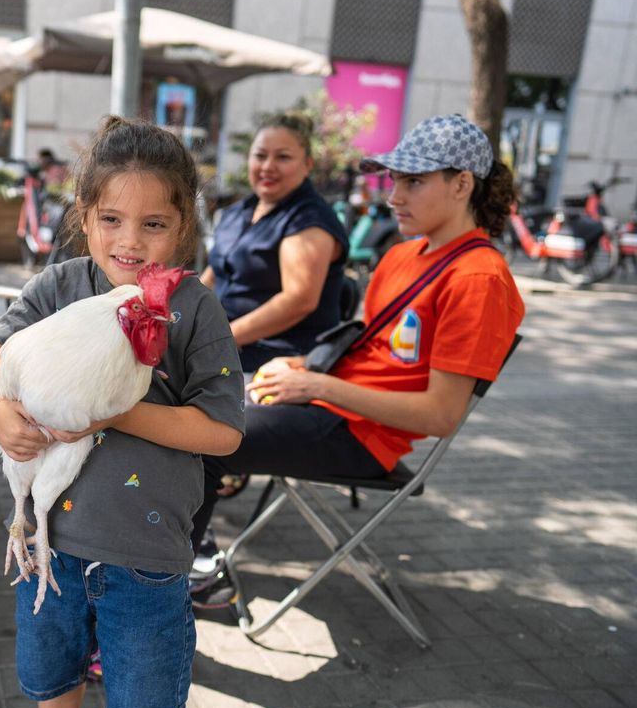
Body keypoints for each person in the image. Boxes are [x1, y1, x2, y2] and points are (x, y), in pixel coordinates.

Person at [0, 117, 246, 708]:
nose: (130, 241)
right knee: (52, 672)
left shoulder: (194, 308)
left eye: (154, 224)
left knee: (146, 707)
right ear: (84, 213)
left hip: (145, 552)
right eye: (112, 219)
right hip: (49, 541)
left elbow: (224, 431)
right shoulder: (59, 286)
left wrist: (114, 410)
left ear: (183, 225)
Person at [194, 114, 525, 558]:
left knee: (201, 437)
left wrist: (315, 384)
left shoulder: (479, 279)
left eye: (413, 182)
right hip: (328, 407)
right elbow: (373, 353)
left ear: (462, 184)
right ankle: (171, 564)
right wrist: (303, 366)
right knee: (185, 410)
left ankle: (171, 575)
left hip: (362, 437)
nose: (394, 196)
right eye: (395, 180)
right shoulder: (402, 256)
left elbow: (440, 415)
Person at [192, 112, 348, 579]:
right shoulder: (241, 210)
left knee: (178, 420)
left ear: (307, 164)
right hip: (224, 351)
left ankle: (193, 549)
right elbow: (214, 275)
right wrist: (180, 316)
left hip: (276, 358)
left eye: (283, 157)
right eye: (261, 155)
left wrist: (218, 339)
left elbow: (298, 300)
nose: (268, 166)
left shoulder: (309, 219)